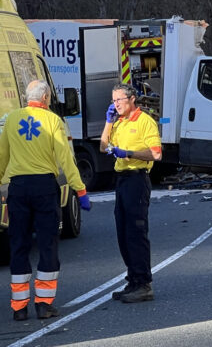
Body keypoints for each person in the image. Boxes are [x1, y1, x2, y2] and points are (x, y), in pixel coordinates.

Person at [0, 80, 90, 321]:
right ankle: (43, 304)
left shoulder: (11, 119)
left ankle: (19, 308)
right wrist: (79, 190)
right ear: (47, 97)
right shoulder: (53, 121)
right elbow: (65, 159)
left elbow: (2, 157)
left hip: (17, 189)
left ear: (26, 98)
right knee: (48, 244)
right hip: (44, 188)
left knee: (18, 245)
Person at [100, 84, 162, 303]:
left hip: (137, 178)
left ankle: (144, 283)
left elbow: (156, 153)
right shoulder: (119, 122)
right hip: (123, 180)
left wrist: (129, 153)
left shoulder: (145, 122)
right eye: (113, 100)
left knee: (136, 232)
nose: (115, 104)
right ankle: (133, 279)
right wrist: (108, 123)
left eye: (119, 100)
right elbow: (103, 147)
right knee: (123, 234)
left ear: (132, 99)